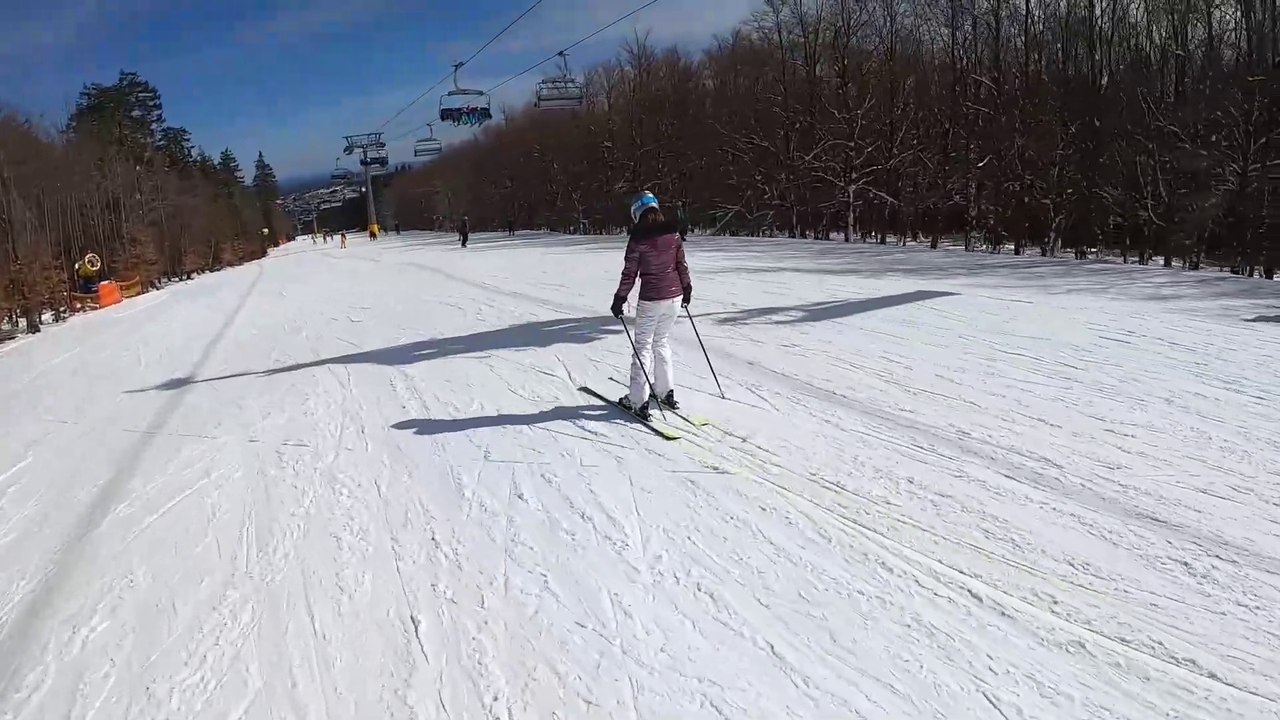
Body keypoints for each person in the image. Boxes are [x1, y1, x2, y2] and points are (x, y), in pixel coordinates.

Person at [610, 191, 692, 421]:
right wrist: (687, 289)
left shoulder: (638, 239)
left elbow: (629, 274)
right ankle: (665, 391)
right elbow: (681, 265)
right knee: (661, 341)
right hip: (674, 297)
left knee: (643, 347)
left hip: (651, 300)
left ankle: (638, 401)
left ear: (636, 213)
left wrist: (619, 298)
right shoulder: (673, 234)